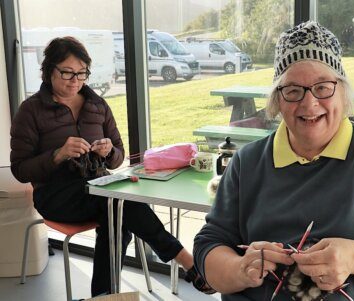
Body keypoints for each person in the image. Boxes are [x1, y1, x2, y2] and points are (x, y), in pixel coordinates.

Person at [193, 21, 354, 300]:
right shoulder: (247, 162)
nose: (309, 104)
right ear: (277, 100)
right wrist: (239, 268)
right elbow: (208, 247)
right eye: (293, 90)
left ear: (343, 92)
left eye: (323, 87)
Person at [10, 36, 214, 296]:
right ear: (49, 70)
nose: (76, 81)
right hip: (55, 195)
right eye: (67, 73)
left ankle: (104, 297)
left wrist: (109, 152)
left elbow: (119, 157)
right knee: (117, 207)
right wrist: (58, 154)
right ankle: (187, 261)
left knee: (116, 217)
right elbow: (20, 169)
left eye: (82, 73)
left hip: (98, 185)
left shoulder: (97, 104)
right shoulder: (30, 111)